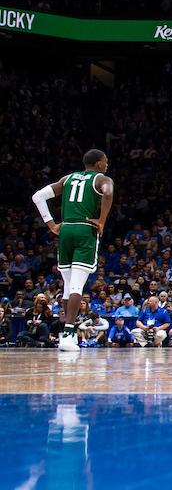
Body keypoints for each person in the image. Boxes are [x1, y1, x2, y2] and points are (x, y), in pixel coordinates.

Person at [30, 148, 115, 352]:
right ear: (98, 164)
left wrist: (51, 224)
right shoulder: (101, 179)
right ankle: (68, 334)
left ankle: (65, 334)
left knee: (68, 286)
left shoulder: (67, 179)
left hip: (66, 230)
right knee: (77, 286)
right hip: (85, 229)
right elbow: (108, 192)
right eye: (105, 162)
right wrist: (101, 220)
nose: (107, 165)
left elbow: (38, 197)